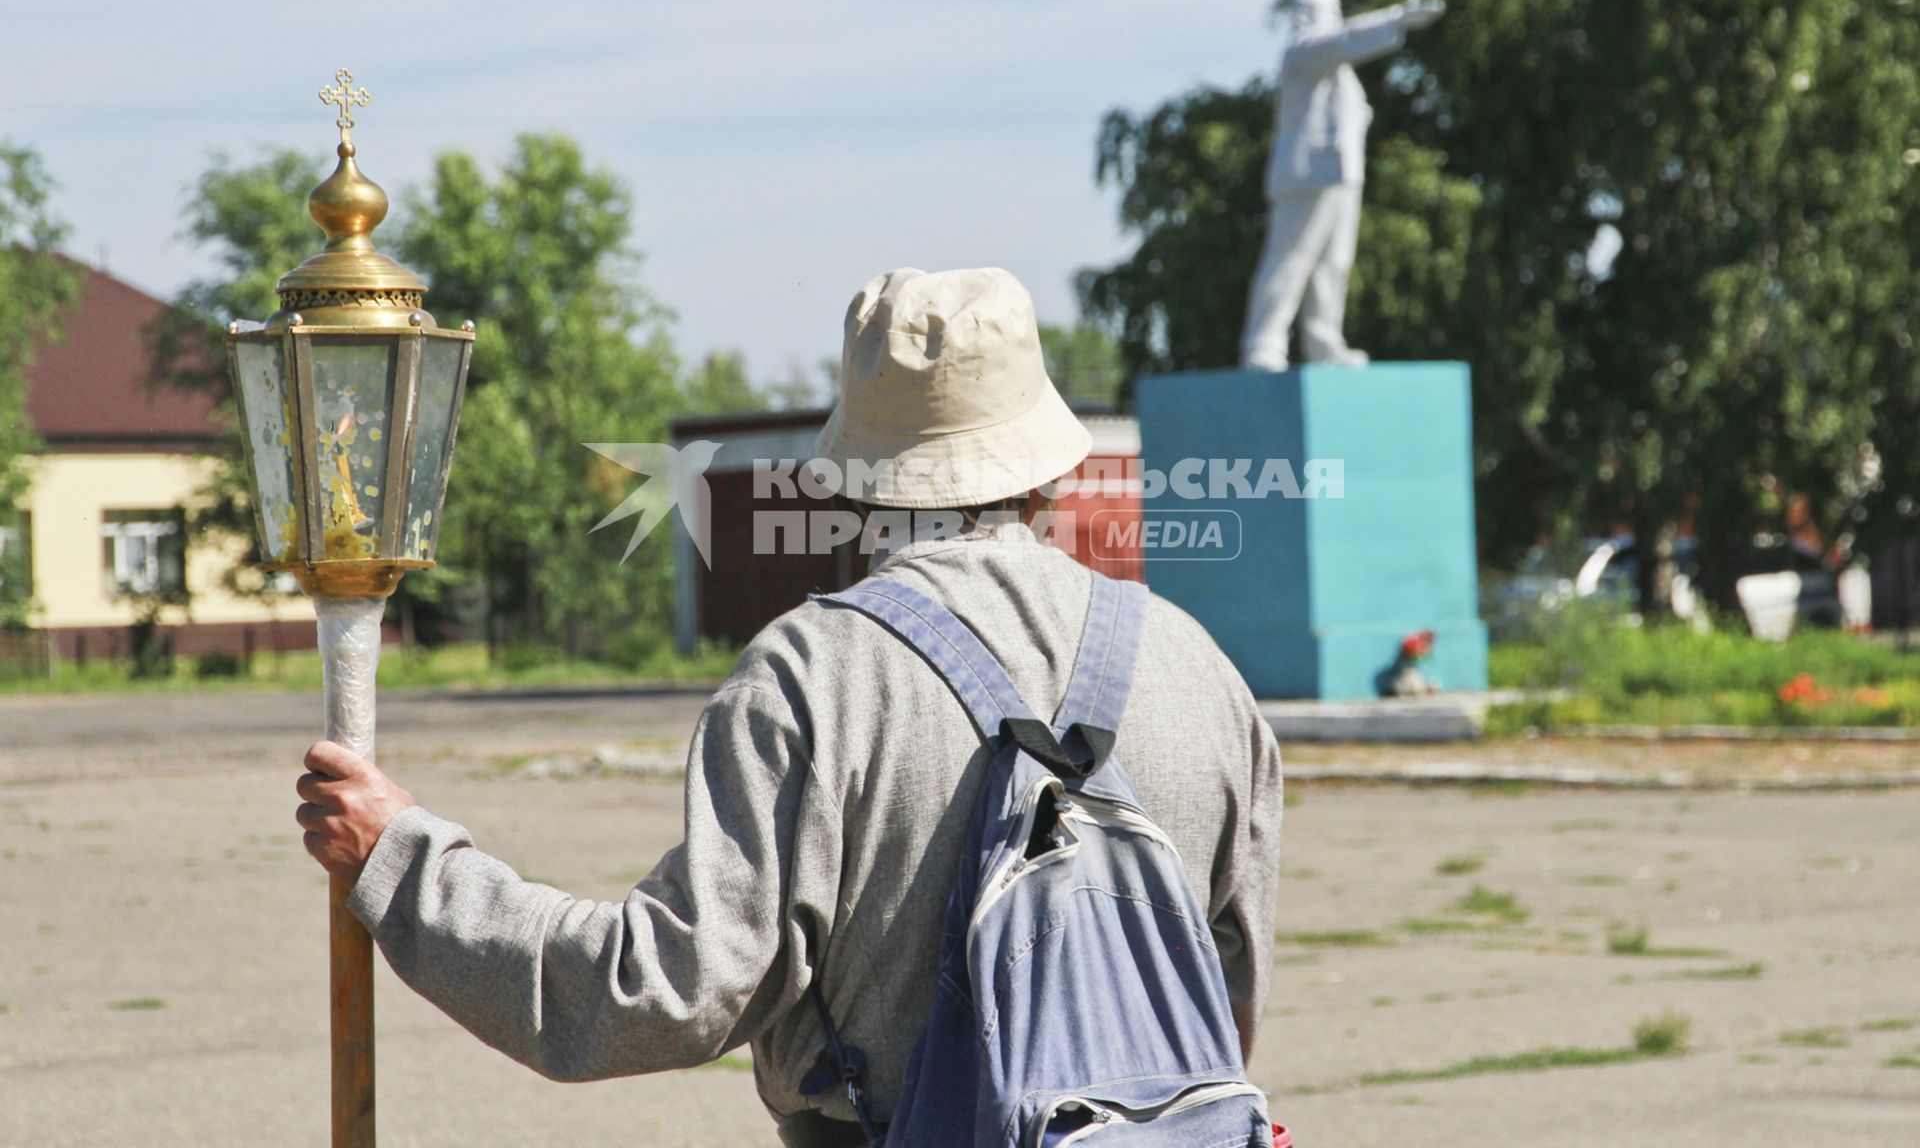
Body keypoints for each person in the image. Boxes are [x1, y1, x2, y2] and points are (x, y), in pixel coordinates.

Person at [297, 266, 1285, 1145]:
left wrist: (403, 858)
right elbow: (1223, 1003)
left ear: (856, 477)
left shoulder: (815, 673)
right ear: (1054, 465)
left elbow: (659, 989)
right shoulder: (1199, 666)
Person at [1241, 0, 1446, 371]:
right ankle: (1264, 344)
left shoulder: (1340, 74)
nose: (1332, 20)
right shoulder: (1302, 53)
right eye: (1324, 12)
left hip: (1342, 175)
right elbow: (1343, 40)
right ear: (1302, 16)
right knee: (1290, 260)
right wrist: (1396, 17)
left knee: (1333, 263)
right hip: (1305, 175)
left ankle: (1323, 342)